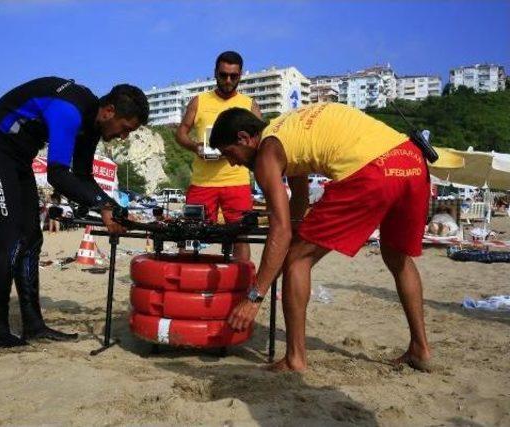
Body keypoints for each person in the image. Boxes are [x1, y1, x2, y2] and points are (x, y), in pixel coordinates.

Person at [209, 103, 432, 372]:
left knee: (296, 261)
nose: (233, 162)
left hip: (370, 171)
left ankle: (295, 359)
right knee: (398, 257)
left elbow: (280, 230)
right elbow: (299, 203)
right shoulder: (286, 131)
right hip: (410, 159)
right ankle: (420, 349)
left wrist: (255, 295)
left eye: (230, 153)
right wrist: (275, 260)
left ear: (245, 138)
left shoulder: (267, 154)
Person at [0, 77, 149, 350]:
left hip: (18, 158)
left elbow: (83, 177)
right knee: (11, 240)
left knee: (31, 239)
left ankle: (33, 326)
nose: (123, 136)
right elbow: (58, 176)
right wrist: (103, 206)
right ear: (109, 111)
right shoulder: (70, 111)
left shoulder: (92, 123)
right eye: (125, 129)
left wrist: (117, 209)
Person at [175, 51, 262, 261]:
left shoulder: (250, 104)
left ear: (241, 75)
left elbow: (260, 140)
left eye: (234, 76)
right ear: (215, 73)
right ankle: (187, 285)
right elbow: (180, 133)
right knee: (189, 234)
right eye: (223, 75)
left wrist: (236, 151)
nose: (228, 80)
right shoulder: (199, 101)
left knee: (241, 237)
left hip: (237, 181)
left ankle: (241, 289)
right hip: (202, 183)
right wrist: (196, 147)